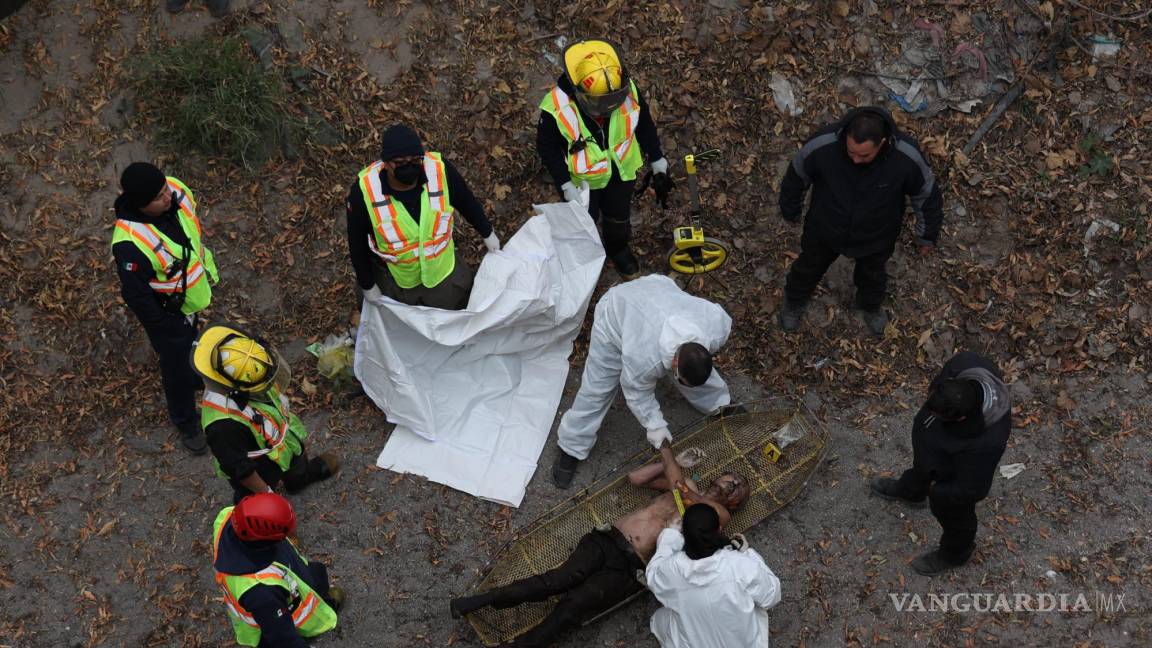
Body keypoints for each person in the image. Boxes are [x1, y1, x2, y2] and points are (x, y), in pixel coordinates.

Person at [450, 442, 750, 648]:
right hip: (608, 539)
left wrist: (669, 454)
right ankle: (481, 601)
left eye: (734, 485)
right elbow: (636, 479)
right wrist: (665, 464)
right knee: (557, 580)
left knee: (573, 608)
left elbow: (681, 491)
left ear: (734, 500)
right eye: (729, 477)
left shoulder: (718, 517)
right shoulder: (689, 486)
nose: (728, 482)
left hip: (633, 567)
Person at [550, 274, 732, 489]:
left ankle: (719, 405)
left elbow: (697, 358)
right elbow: (637, 394)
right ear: (674, 362)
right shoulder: (644, 359)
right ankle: (572, 446)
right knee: (597, 388)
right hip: (615, 314)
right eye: (679, 379)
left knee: (699, 372)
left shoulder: (714, 326)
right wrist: (656, 428)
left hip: (657, 289)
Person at [777, 106, 944, 336]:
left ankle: (869, 306)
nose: (855, 160)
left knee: (873, 276)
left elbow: (927, 196)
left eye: (864, 155)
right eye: (851, 151)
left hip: (877, 235)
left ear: (882, 142)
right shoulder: (823, 144)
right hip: (825, 228)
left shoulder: (906, 157)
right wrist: (790, 209)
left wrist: (926, 235)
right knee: (807, 267)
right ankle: (793, 302)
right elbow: (796, 176)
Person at [537, 38, 673, 280]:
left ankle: (618, 249)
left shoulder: (626, 89)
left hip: (621, 172)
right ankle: (586, 260)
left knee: (618, 215)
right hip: (583, 183)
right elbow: (546, 147)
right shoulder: (557, 107)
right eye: (600, 104)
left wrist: (656, 157)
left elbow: (643, 122)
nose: (608, 109)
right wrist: (564, 184)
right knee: (584, 224)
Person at [870, 351, 1011, 576]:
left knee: (956, 515)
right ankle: (912, 491)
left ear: (961, 419)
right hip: (932, 454)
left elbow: (972, 489)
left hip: (954, 472)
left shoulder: (987, 442)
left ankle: (956, 553)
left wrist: (940, 493)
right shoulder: (966, 363)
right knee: (921, 469)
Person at [111, 162, 219, 454]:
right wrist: (165, 326)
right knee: (176, 369)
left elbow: (191, 231)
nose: (168, 196)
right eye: (158, 197)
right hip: (167, 316)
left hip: (191, 300)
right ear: (141, 205)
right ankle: (186, 422)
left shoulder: (175, 190)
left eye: (165, 189)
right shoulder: (130, 244)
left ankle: (197, 378)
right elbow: (137, 296)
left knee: (191, 352)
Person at [346, 124, 499, 310]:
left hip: (442, 272)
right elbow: (357, 243)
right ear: (386, 163)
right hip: (397, 279)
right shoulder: (364, 192)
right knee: (400, 328)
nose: (409, 167)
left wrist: (486, 231)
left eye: (415, 161)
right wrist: (367, 284)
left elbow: (466, 201)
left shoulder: (439, 171)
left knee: (455, 315)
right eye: (400, 163)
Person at [192, 324, 340, 503]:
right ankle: (258, 516)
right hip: (259, 466)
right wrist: (267, 494)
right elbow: (239, 468)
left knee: (296, 463)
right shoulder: (222, 425)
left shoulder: (256, 372)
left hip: (283, 443)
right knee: (253, 500)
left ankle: (299, 480)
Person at [211, 492, 344, 647]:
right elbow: (283, 639)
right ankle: (327, 606)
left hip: (285, 582)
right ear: (266, 541)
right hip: (273, 620)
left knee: (317, 572)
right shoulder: (262, 592)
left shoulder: (226, 517)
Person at [646, 503, 782, 648]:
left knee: (660, 619)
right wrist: (749, 553)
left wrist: (670, 535)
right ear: (719, 530)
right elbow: (771, 597)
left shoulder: (671, 570)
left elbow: (652, 575)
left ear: (684, 535)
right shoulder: (740, 565)